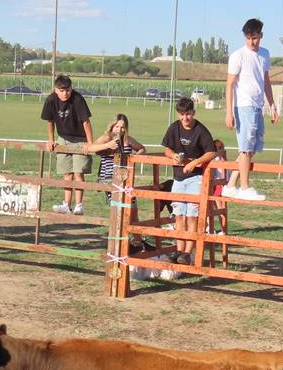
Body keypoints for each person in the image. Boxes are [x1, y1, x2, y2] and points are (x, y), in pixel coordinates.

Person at [223, 17, 278, 201]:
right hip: (243, 105)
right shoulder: (238, 55)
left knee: (251, 148)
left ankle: (230, 185)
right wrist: (229, 112)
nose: (251, 42)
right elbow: (230, 84)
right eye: (248, 38)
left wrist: (272, 104)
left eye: (254, 38)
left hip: (257, 105)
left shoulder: (264, 54)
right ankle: (245, 187)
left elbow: (266, 81)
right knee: (245, 148)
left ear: (260, 36)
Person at [162, 97, 217, 265]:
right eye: (182, 114)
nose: (185, 118)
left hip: (196, 178)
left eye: (188, 114)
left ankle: (187, 253)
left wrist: (194, 163)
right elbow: (166, 149)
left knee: (192, 216)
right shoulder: (174, 128)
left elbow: (211, 152)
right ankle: (179, 250)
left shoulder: (201, 130)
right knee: (179, 215)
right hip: (179, 178)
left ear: (193, 113)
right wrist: (173, 156)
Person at [86, 114, 147, 249]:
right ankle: (119, 241)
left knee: (133, 210)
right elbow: (90, 148)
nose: (119, 130)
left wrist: (135, 157)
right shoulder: (107, 137)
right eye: (117, 126)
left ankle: (137, 241)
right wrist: (107, 145)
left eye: (123, 127)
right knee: (120, 209)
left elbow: (142, 148)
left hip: (126, 179)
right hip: (109, 178)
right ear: (112, 126)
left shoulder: (128, 140)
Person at [41, 74, 93, 214]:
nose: (65, 93)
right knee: (66, 173)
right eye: (62, 91)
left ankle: (79, 205)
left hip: (80, 139)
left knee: (78, 173)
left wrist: (90, 143)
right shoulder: (51, 100)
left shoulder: (78, 99)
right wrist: (51, 139)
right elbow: (50, 121)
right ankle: (66, 204)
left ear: (71, 88)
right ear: (56, 90)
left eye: (68, 90)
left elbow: (86, 122)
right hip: (63, 138)